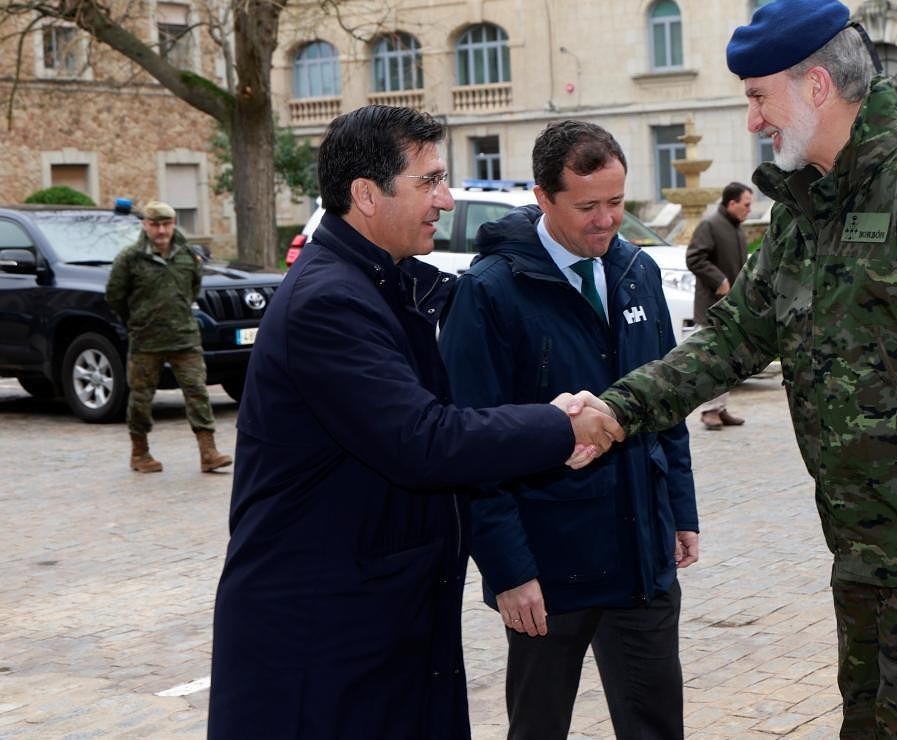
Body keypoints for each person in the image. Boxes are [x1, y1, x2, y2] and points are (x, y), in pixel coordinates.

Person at [596, 0, 897, 738]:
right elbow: (733, 337)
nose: (753, 120)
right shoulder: (803, 213)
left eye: (759, 97)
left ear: (816, 85)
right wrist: (615, 409)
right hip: (861, 555)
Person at [208, 106, 623, 739]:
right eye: (429, 181)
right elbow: (423, 439)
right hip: (322, 644)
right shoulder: (329, 303)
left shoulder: (382, 285)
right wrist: (559, 426)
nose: (446, 200)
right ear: (366, 194)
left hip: (380, 625)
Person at [439, 120, 697, 740]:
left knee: (657, 725)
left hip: (642, 555)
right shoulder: (489, 293)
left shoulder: (636, 271)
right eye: (587, 207)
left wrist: (679, 510)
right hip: (548, 567)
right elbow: (470, 445)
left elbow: (666, 402)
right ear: (543, 197)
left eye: (616, 202)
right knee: (539, 727)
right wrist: (507, 570)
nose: (606, 221)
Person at [104, 201, 231, 474]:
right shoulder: (130, 258)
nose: (161, 231)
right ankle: (140, 452)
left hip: (184, 337)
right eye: (155, 225)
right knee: (141, 397)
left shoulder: (188, 256)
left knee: (197, 391)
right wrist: (138, 319)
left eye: (166, 224)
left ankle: (208, 452)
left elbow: (193, 288)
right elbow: (115, 296)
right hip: (145, 339)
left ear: (173, 224)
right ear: (145, 225)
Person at [686, 181, 754, 430]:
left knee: (726, 361)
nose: (749, 209)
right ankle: (708, 411)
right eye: (746, 204)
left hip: (731, 308)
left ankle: (720, 408)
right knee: (711, 361)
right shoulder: (710, 225)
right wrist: (720, 280)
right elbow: (694, 257)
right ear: (731, 203)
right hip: (712, 308)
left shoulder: (735, 228)